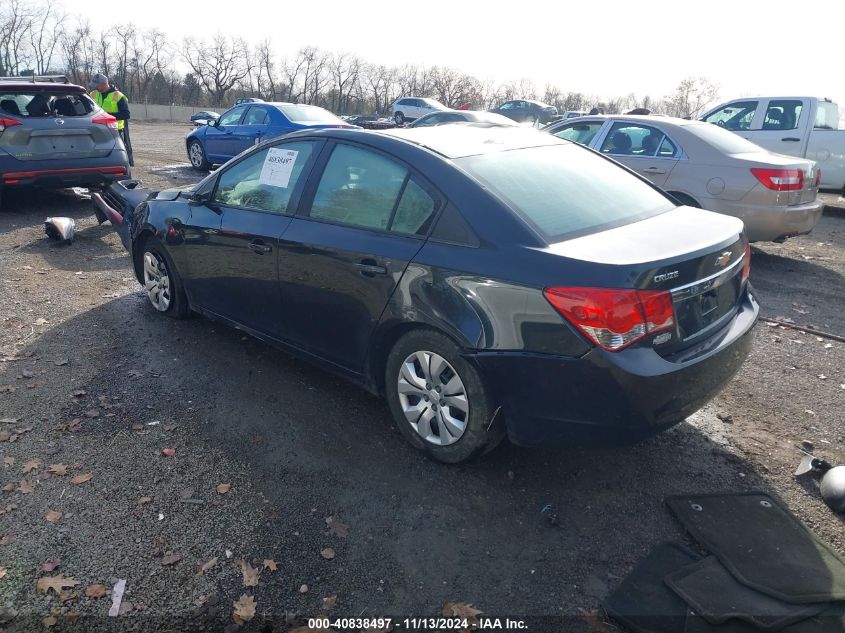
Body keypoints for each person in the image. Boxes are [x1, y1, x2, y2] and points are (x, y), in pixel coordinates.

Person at [89, 72, 133, 166]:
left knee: (116, 152)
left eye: (97, 85)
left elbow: (126, 114)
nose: (95, 87)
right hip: (96, 128)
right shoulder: (93, 94)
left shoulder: (118, 96)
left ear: (104, 84)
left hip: (114, 130)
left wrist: (109, 116)